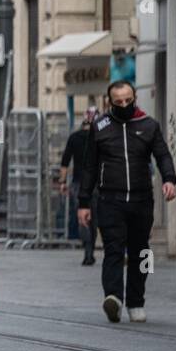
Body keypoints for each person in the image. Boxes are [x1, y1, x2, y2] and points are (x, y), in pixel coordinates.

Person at [77, 81, 176, 324]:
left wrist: (169, 179)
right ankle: (113, 297)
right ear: (109, 102)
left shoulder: (148, 125)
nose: (124, 105)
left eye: (128, 100)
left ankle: (137, 301)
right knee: (113, 249)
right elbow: (89, 166)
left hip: (142, 200)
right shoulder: (100, 127)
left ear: (134, 98)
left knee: (142, 252)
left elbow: (162, 154)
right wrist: (83, 202)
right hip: (110, 199)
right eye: (118, 101)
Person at [61, 109, 98, 264]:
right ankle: (90, 248)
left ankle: (86, 248)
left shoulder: (74, 138)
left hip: (78, 183)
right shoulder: (98, 139)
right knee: (94, 217)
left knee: (83, 217)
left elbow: (65, 161)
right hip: (96, 184)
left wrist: (62, 182)